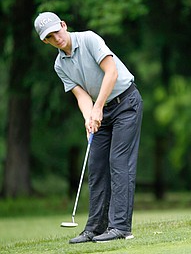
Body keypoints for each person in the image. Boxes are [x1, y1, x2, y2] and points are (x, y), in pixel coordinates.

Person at [34, 12, 143, 244]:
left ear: (64, 25)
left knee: (119, 162)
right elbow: (81, 95)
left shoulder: (89, 39)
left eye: (57, 31)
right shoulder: (59, 65)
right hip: (100, 111)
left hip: (126, 104)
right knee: (96, 166)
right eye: (50, 37)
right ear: (45, 41)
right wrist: (88, 117)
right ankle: (94, 228)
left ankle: (121, 227)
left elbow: (111, 72)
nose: (56, 38)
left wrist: (99, 107)